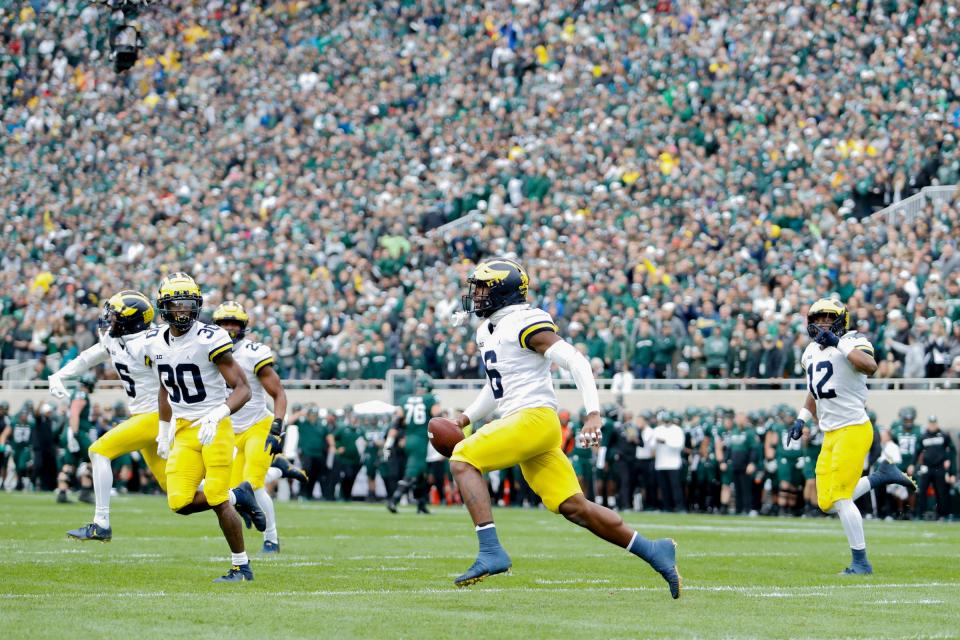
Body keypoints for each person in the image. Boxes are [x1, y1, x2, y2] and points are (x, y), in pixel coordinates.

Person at [448, 258, 680, 597]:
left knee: (463, 458)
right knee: (574, 506)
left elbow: (576, 360)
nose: (477, 295)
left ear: (503, 291)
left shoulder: (524, 320)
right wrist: (465, 418)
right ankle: (654, 550)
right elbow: (497, 385)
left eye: (483, 287)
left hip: (534, 419)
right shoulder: (487, 330)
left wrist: (593, 413)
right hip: (522, 422)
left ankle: (491, 550)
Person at [143, 273, 262, 583]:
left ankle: (241, 566)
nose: (182, 312)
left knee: (216, 496)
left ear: (196, 306)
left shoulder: (210, 337)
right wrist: (164, 427)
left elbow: (243, 388)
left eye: (187, 305)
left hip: (215, 426)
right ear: (164, 307)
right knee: (179, 502)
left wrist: (218, 413)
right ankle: (242, 495)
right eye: (176, 305)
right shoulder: (154, 340)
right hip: (184, 429)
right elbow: (165, 387)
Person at [792, 298, 915, 575]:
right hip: (830, 432)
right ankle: (880, 476)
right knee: (825, 503)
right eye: (818, 318)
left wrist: (838, 343)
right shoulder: (810, 351)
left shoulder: (853, 339)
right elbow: (815, 389)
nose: (823, 322)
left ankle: (861, 562)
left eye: (828, 317)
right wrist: (801, 418)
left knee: (841, 498)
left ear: (841, 320)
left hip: (854, 428)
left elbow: (869, 366)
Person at [47, 291, 164, 541]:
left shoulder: (152, 343)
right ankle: (234, 496)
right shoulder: (116, 339)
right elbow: (87, 357)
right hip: (142, 417)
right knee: (179, 495)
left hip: (156, 416)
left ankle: (101, 523)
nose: (109, 320)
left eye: (115, 316)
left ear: (131, 321)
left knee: (99, 451)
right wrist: (58, 375)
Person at [213, 300, 291, 553]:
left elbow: (278, 393)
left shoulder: (253, 353)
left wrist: (276, 427)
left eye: (233, 323)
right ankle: (278, 469)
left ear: (243, 326)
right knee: (231, 495)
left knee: (253, 486)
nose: (228, 328)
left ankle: (271, 538)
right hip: (229, 431)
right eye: (224, 323)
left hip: (258, 425)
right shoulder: (207, 353)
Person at [387, 372, 439, 514]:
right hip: (421, 440)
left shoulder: (405, 399)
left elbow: (398, 421)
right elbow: (437, 415)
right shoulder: (431, 399)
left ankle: (421, 504)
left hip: (408, 439)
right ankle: (394, 500)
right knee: (411, 474)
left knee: (422, 474)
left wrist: (391, 441)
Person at [56, 374, 98, 504]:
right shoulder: (81, 394)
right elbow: (75, 413)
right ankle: (85, 492)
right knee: (94, 457)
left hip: (73, 432)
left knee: (70, 464)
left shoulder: (77, 393)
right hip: (77, 433)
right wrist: (74, 434)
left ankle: (62, 494)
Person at [915, 415, 955, 520]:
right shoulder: (923, 436)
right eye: (930, 423)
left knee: (941, 491)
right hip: (927, 467)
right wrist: (912, 464)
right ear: (928, 424)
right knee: (922, 490)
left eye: (934, 423)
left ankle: (942, 514)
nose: (932, 425)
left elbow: (952, 449)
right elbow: (917, 451)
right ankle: (921, 514)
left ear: (937, 423)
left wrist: (950, 465)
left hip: (939, 467)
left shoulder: (943, 435)